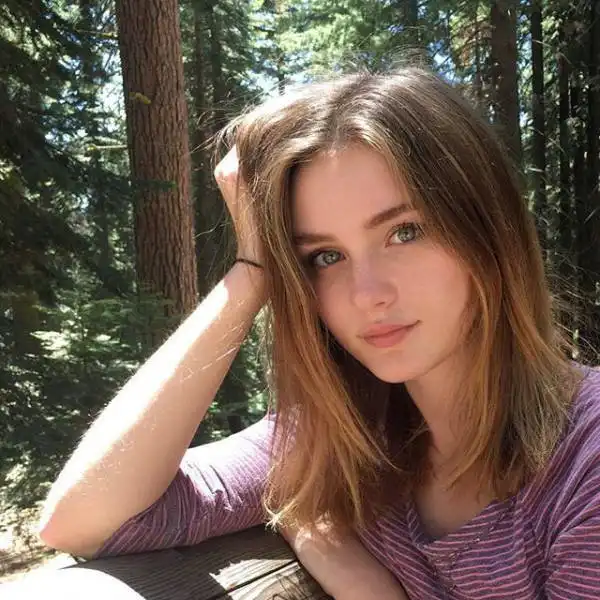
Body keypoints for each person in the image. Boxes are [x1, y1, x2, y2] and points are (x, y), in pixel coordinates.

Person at [37, 67, 599, 600]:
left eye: (405, 232)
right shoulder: (338, 438)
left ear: (490, 232)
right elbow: (85, 520)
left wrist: (362, 585)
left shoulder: (585, 456)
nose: (366, 293)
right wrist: (253, 270)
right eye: (324, 256)